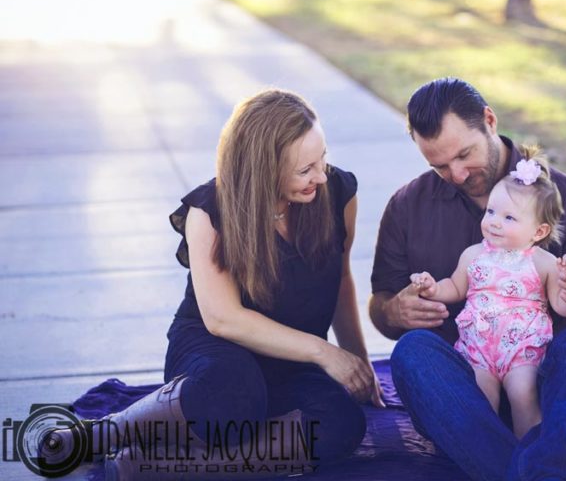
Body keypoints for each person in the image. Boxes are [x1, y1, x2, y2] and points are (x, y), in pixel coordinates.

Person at [45, 89, 384, 479]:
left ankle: (151, 468)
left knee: (342, 423)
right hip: (216, 353)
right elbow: (223, 320)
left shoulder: (337, 193)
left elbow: (339, 278)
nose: (321, 176)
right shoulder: (211, 211)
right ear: (264, 167)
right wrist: (325, 352)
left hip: (292, 359)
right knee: (233, 398)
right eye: (305, 169)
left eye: (322, 159)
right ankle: (99, 435)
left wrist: (358, 361)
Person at [369, 77, 566, 480]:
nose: (455, 173)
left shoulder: (562, 195)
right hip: (460, 392)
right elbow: (380, 312)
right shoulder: (408, 206)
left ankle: (507, 468)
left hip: (541, 379)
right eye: (438, 165)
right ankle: (546, 472)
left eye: (464, 155)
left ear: (489, 120)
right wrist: (394, 308)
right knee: (411, 351)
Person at [409, 146, 566, 440]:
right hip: (478, 349)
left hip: (522, 351)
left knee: (523, 396)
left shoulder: (543, 262)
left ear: (539, 232)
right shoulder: (473, 255)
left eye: (509, 218)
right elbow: (455, 287)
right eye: (491, 211)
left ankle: (528, 450)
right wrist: (431, 288)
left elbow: (562, 308)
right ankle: (491, 452)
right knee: (480, 401)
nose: (493, 221)